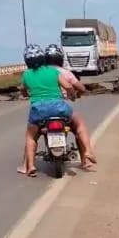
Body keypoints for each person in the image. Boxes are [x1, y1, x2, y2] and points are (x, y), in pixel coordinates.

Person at [17, 44, 76, 177]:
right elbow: (68, 86)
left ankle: (31, 166)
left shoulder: (26, 75)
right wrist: (72, 95)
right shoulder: (53, 71)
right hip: (59, 108)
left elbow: (23, 90)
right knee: (75, 122)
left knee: (31, 136)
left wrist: (26, 93)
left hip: (39, 111)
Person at [44, 43, 96, 169]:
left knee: (32, 134)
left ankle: (28, 163)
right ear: (60, 58)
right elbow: (81, 88)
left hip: (43, 110)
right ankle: (86, 158)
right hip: (62, 109)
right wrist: (76, 95)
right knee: (78, 126)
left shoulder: (41, 73)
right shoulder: (65, 73)